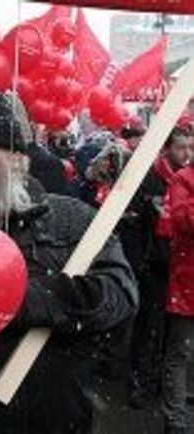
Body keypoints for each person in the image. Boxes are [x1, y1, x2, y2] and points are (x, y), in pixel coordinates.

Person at [0, 89, 137, 434]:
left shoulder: (71, 219)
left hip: (56, 417)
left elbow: (121, 296)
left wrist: (23, 298)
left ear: (14, 159)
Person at [125, 126, 193, 407]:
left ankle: (169, 385)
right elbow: (132, 220)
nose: (187, 154)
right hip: (154, 264)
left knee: (175, 335)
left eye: (191, 147)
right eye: (181, 148)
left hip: (180, 268)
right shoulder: (150, 176)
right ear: (168, 148)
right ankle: (141, 383)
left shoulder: (188, 178)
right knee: (149, 328)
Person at [162, 163, 194, 434]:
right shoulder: (183, 178)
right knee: (181, 351)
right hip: (187, 282)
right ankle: (176, 417)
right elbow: (184, 221)